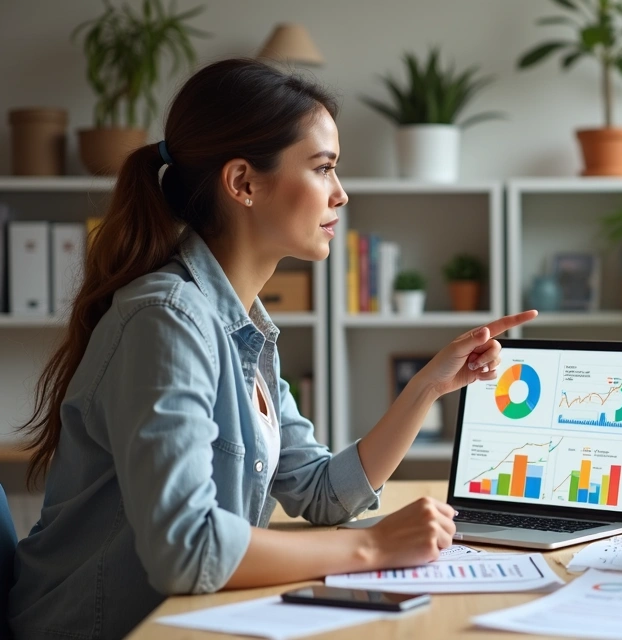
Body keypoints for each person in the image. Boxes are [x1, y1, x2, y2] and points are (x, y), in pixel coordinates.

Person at [8, 58, 537, 639]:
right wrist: (371, 549)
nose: (341, 193)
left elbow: (320, 492)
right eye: (323, 168)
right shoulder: (166, 321)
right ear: (243, 183)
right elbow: (187, 549)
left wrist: (430, 385)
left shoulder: (242, 326)